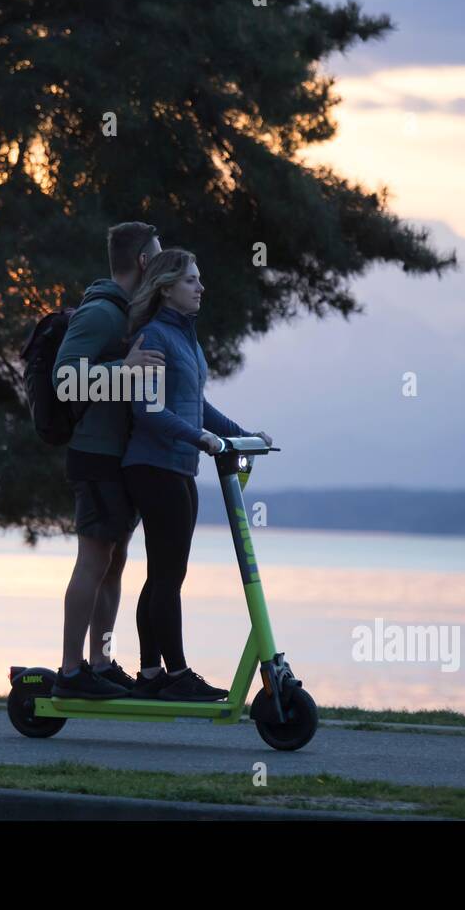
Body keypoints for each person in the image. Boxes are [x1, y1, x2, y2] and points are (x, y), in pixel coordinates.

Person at [120, 248, 272, 701]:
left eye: (199, 280)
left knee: (165, 574)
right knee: (168, 574)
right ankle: (177, 673)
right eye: (191, 281)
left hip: (179, 466)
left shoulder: (187, 339)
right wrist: (199, 438)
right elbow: (147, 411)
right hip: (153, 466)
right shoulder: (152, 338)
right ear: (166, 288)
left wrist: (244, 436)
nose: (201, 288)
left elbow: (196, 405)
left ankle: (151, 676)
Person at [50, 221, 164, 698]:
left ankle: (100, 661)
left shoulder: (128, 313)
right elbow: (64, 381)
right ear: (143, 261)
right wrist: (126, 368)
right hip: (93, 456)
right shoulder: (99, 313)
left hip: (117, 457)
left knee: (114, 564)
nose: (162, 264)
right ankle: (72, 671)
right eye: (157, 256)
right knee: (92, 563)